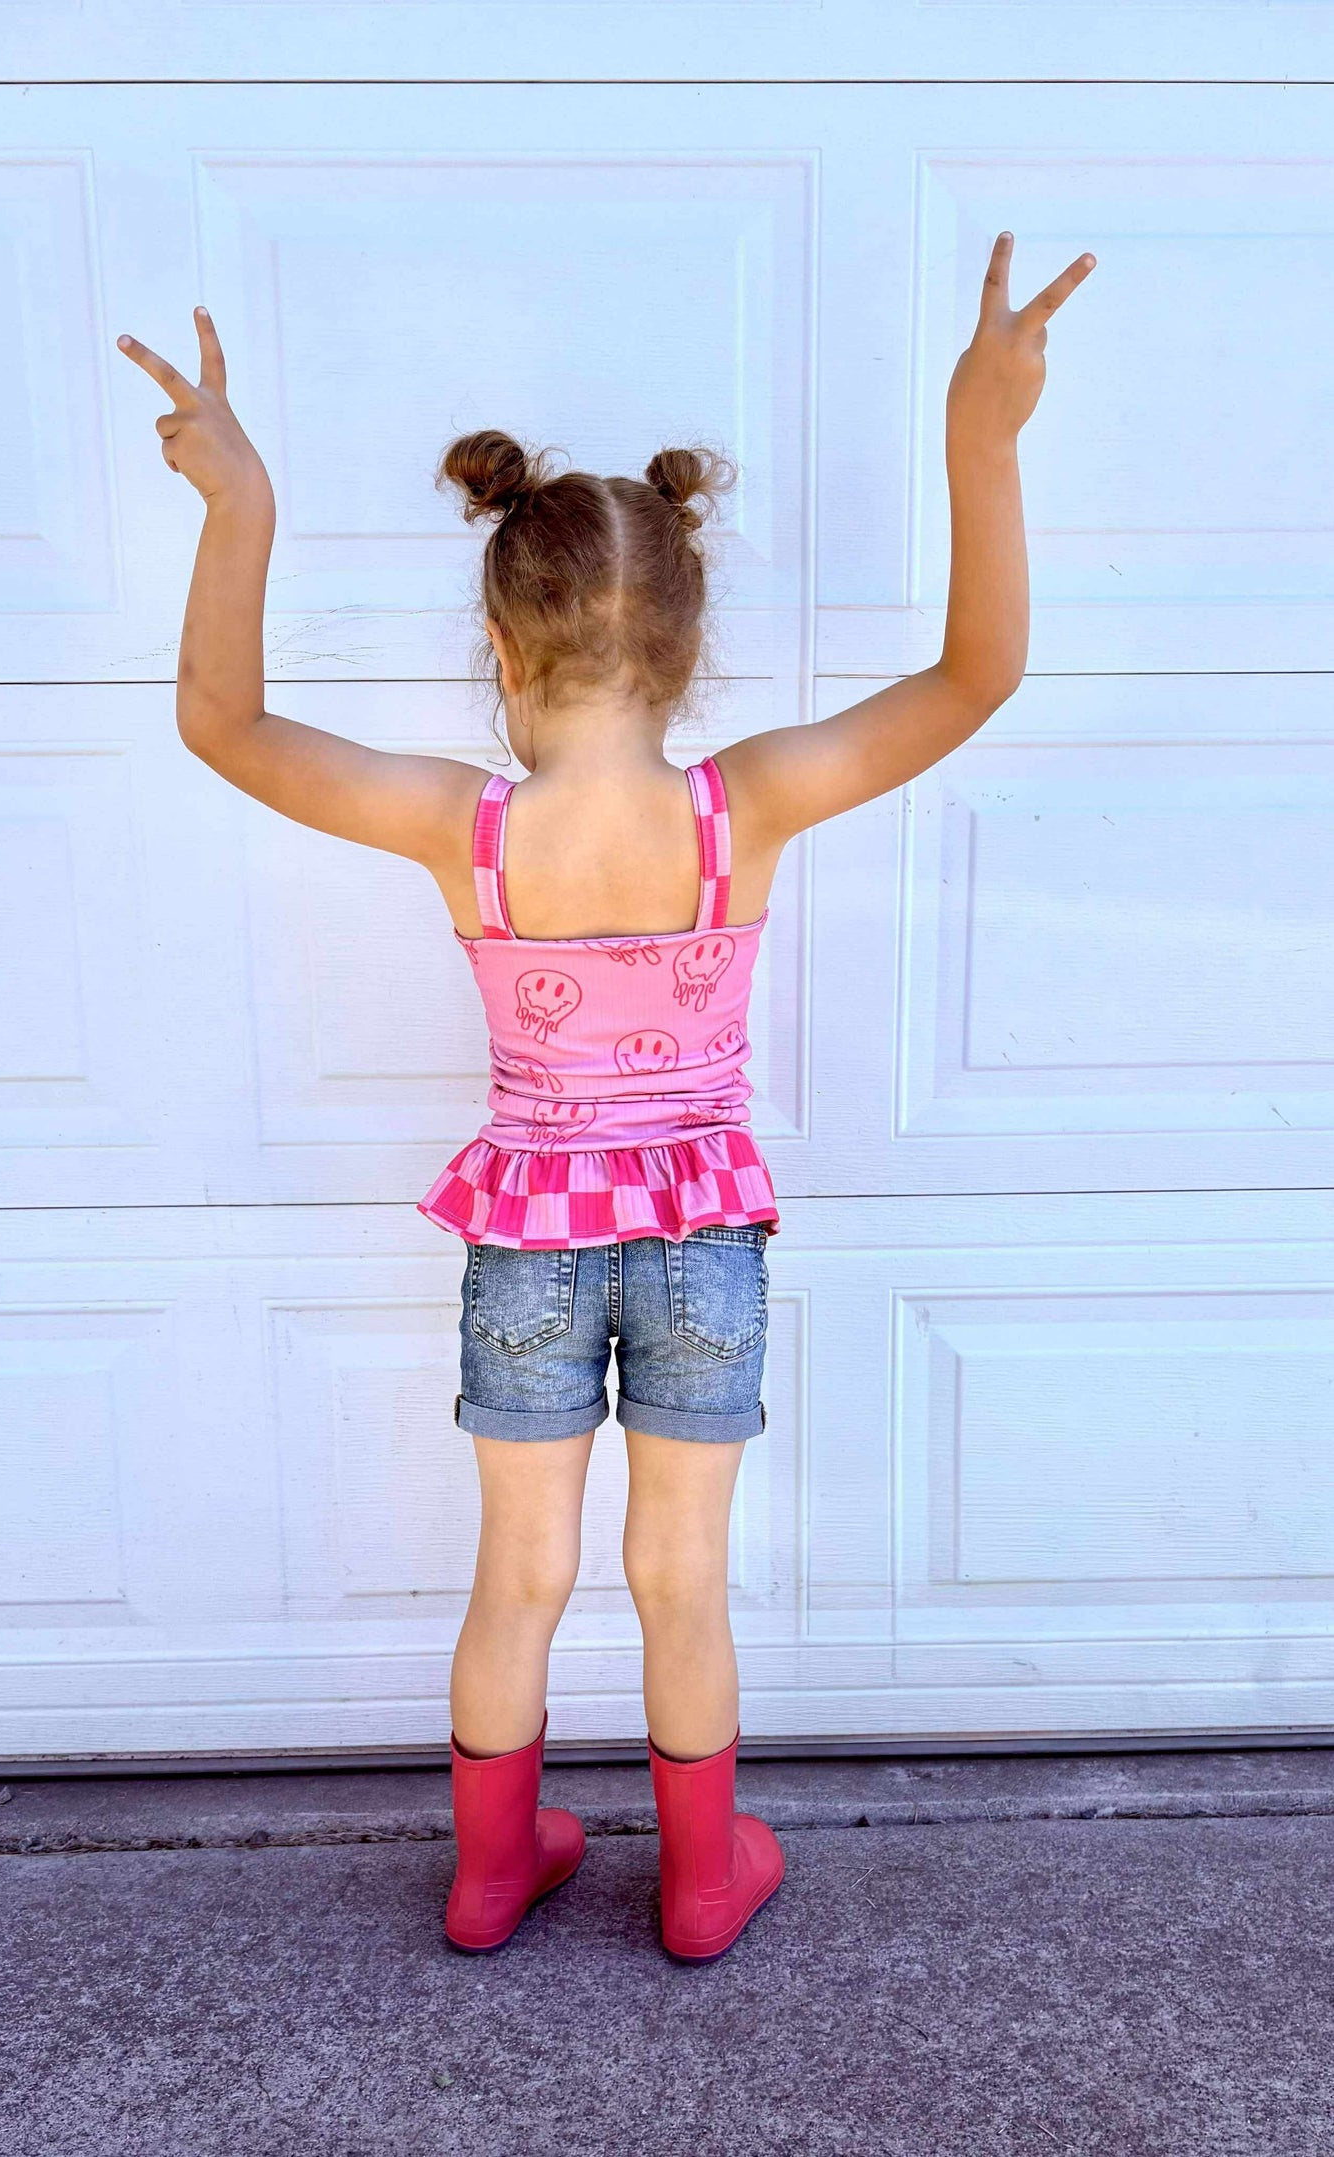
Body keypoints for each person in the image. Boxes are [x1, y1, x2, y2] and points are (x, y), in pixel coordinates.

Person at [118, 230, 1094, 1963]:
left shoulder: (457, 821)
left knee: (520, 1573)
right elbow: (975, 677)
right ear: (689, 644)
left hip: (527, 1246)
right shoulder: (751, 802)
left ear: (500, 640)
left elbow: (220, 722)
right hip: (704, 1234)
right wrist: (983, 435)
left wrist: (238, 502)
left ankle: (495, 1868)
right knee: (679, 1575)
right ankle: (702, 1878)